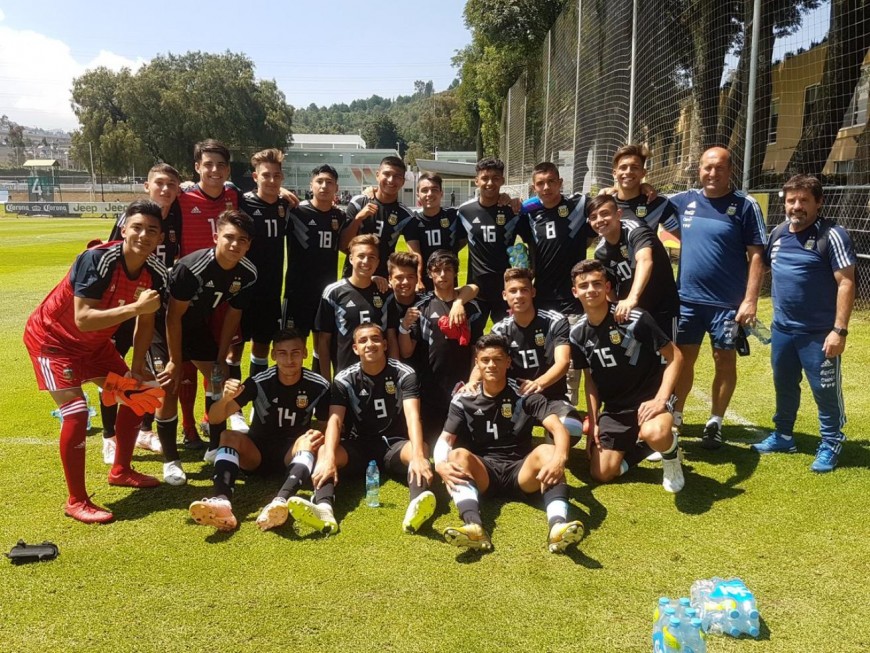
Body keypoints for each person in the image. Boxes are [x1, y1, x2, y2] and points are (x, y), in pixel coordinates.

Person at [24, 199, 167, 523]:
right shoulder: (97, 259)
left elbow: (146, 323)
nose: (143, 235)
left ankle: (121, 470)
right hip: (54, 342)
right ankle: (76, 500)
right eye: (137, 227)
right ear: (123, 228)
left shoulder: (154, 272)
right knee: (75, 413)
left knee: (140, 395)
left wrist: (140, 367)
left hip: (96, 347)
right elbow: (84, 318)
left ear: (160, 238)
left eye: (152, 230)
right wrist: (134, 309)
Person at [434, 333, 583, 553]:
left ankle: (558, 527)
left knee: (548, 451)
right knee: (456, 456)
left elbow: (558, 429)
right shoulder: (464, 398)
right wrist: (439, 464)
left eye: (497, 359)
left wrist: (560, 459)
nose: (491, 365)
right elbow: (446, 439)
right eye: (485, 360)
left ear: (508, 362)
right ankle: (473, 527)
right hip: (484, 471)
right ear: (477, 363)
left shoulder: (525, 393)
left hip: (521, 471)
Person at [751, 175, 856, 473]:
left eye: (804, 200)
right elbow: (763, 267)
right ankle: (784, 436)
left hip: (819, 334)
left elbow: (846, 282)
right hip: (783, 331)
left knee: (824, 390)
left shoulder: (832, 235)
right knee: (784, 385)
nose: (796, 206)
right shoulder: (779, 232)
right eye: (791, 200)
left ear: (818, 203)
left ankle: (832, 441)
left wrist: (839, 330)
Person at [667, 146, 767, 449]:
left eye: (719, 168)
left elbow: (757, 256)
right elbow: (645, 204)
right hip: (686, 301)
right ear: (699, 169)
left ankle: (715, 422)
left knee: (724, 360)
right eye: (707, 167)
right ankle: (676, 418)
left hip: (726, 306)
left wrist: (750, 301)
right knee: (681, 361)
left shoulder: (745, 205)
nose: (712, 173)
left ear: (730, 170)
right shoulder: (683, 201)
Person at [298, 324, 435, 535]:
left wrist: (417, 455)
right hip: (359, 444)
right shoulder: (344, 379)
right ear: (355, 348)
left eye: (375, 339)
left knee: (421, 449)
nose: (370, 344)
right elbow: (335, 420)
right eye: (363, 341)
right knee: (326, 451)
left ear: (385, 344)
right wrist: (328, 458)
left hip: (394, 443)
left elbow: (412, 416)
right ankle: (324, 508)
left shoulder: (404, 374)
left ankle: (416, 506)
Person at [188, 328, 331, 530]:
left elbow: (326, 425)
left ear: (305, 353)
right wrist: (227, 397)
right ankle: (222, 503)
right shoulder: (259, 382)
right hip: (256, 454)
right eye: (282, 353)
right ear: (273, 355)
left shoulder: (319, 385)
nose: (289, 359)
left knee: (310, 439)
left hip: (292, 455)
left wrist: (318, 433)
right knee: (228, 435)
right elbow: (215, 417)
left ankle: (280, 502)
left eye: (295, 352)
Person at [155, 209, 258, 484]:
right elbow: (172, 316)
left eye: (243, 240)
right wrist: (175, 361)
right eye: (229, 237)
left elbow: (233, 315)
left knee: (218, 378)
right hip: (162, 326)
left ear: (249, 244)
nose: (235, 245)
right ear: (216, 237)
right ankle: (171, 461)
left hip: (195, 325)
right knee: (170, 386)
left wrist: (221, 356)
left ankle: (214, 447)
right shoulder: (192, 267)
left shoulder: (247, 273)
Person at [568, 260, 685, 492]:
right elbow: (590, 380)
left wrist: (661, 399)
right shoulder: (577, 334)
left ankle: (671, 458)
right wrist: (593, 422)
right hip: (615, 409)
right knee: (601, 472)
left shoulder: (634, 318)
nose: (591, 290)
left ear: (607, 287)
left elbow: (676, 357)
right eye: (584, 286)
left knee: (656, 432)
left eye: (597, 284)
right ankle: (646, 448)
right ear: (575, 291)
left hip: (649, 401)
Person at [100, 164, 183, 459]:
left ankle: (145, 432)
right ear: (147, 186)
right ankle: (109, 436)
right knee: (112, 368)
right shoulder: (131, 216)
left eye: (171, 184)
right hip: (124, 303)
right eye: (159, 183)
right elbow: (111, 255)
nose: (165, 189)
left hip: (154, 301)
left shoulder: (177, 216)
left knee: (153, 370)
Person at [486, 267, 584, 438]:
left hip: (551, 396)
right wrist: (472, 382)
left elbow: (563, 362)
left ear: (533, 292)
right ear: (504, 295)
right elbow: (486, 362)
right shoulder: (500, 329)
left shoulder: (555, 321)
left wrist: (538, 384)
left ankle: (551, 443)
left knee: (572, 428)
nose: (518, 295)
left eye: (524, 290)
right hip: (515, 398)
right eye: (513, 291)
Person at [399, 250, 485, 443]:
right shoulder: (421, 307)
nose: (442, 275)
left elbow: (477, 351)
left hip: (462, 385)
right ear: (429, 273)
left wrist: (473, 381)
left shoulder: (471, 308)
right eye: (437, 270)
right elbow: (406, 351)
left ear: (456, 272)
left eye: (448, 269)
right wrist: (404, 327)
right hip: (430, 388)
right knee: (430, 441)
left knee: (465, 442)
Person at [283, 165, 348, 374]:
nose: (324, 186)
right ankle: (291, 392)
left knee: (323, 345)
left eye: (329, 182)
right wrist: (280, 191)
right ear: (311, 185)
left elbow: (347, 245)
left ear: (336, 187)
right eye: (319, 181)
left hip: (326, 294)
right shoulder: (295, 212)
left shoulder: (339, 216)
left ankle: (319, 392)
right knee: (293, 345)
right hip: (297, 293)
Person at [588, 194, 680, 336]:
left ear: (618, 214)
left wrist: (632, 298)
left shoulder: (636, 230)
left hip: (662, 309)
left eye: (604, 214)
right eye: (593, 217)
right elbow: (610, 289)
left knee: (669, 356)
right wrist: (613, 312)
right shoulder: (601, 253)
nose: (599, 220)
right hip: (633, 313)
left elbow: (645, 260)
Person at [237, 149, 291, 379]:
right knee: (233, 348)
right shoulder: (242, 204)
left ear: (282, 177)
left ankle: (253, 397)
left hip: (270, 291)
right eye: (265, 175)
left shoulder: (285, 206)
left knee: (261, 348)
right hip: (241, 288)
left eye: (276, 176)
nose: (271, 180)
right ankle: (234, 408)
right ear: (255, 177)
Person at [314, 234, 398, 381]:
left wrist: (395, 375)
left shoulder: (385, 292)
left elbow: (391, 337)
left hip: (381, 377)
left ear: (378, 262)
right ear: (351, 259)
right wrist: (326, 381)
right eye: (361, 256)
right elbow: (324, 341)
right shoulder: (333, 293)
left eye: (372, 257)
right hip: (345, 378)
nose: (366, 261)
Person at [457, 158, 528, 324]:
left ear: (502, 181)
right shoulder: (464, 211)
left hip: (506, 288)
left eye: (495, 178)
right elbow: (455, 244)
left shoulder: (513, 211)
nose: (490, 183)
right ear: (476, 181)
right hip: (475, 290)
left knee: (508, 338)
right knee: (472, 340)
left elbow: (531, 243)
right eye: (485, 178)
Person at [519, 161, 593, 316]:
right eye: (540, 183)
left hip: (574, 293)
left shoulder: (579, 204)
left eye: (551, 181)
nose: (546, 187)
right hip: (541, 294)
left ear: (560, 183)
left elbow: (611, 202)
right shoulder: (528, 215)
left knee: (571, 338)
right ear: (534, 188)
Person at [340, 156, 415, 278]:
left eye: (397, 176)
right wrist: (358, 219)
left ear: (403, 181)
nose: (391, 180)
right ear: (377, 175)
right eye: (386, 174)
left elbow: (413, 251)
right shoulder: (359, 203)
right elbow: (343, 246)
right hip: (353, 278)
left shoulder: (405, 215)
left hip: (383, 280)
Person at [403, 173, 464, 291]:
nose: (429, 194)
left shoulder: (454, 216)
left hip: (449, 279)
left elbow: (463, 241)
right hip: (424, 282)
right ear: (418, 195)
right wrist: (418, 279)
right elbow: (415, 253)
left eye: (434, 190)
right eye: (424, 190)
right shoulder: (412, 221)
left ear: (441, 193)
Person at [610, 144, 680, 231]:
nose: (628, 172)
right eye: (623, 167)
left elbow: (683, 236)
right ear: (614, 173)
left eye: (635, 167)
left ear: (643, 173)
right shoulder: (605, 203)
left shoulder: (658, 204)